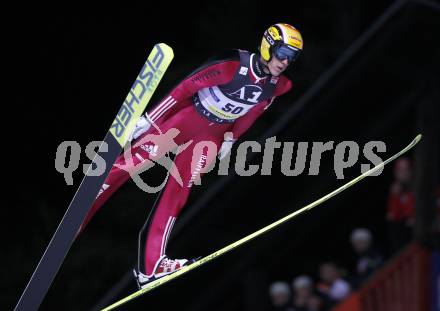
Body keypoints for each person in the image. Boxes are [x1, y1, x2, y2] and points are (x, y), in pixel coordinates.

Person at [76, 23, 303, 287]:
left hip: (211, 137)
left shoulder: (278, 86)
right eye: (283, 52)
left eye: (293, 56)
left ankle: (152, 267)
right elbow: (184, 88)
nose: (286, 61)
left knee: (179, 192)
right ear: (269, 46)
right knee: (134, 163)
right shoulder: (231, 63)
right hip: (186, 119)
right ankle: (83, 210)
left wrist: (232, 138)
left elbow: (254, 111)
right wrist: (150, 119)